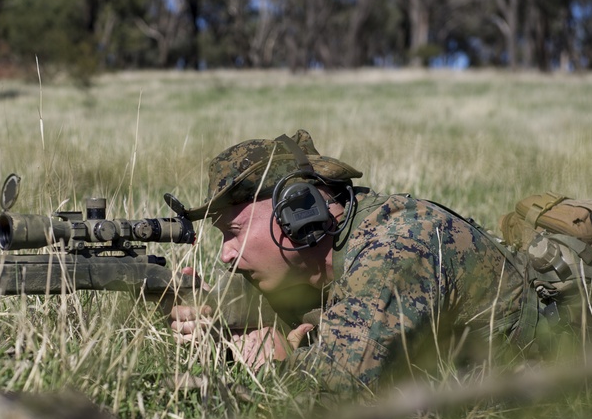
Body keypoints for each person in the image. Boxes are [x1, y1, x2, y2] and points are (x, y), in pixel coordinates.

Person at [168, 129, 540, 400]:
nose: (226, 254)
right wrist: (212, 333)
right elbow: (239, 318)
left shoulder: (396, 246)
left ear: (296, 210)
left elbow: (339, 395)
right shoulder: (306, 262)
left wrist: (275, 365)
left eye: (233, 232)